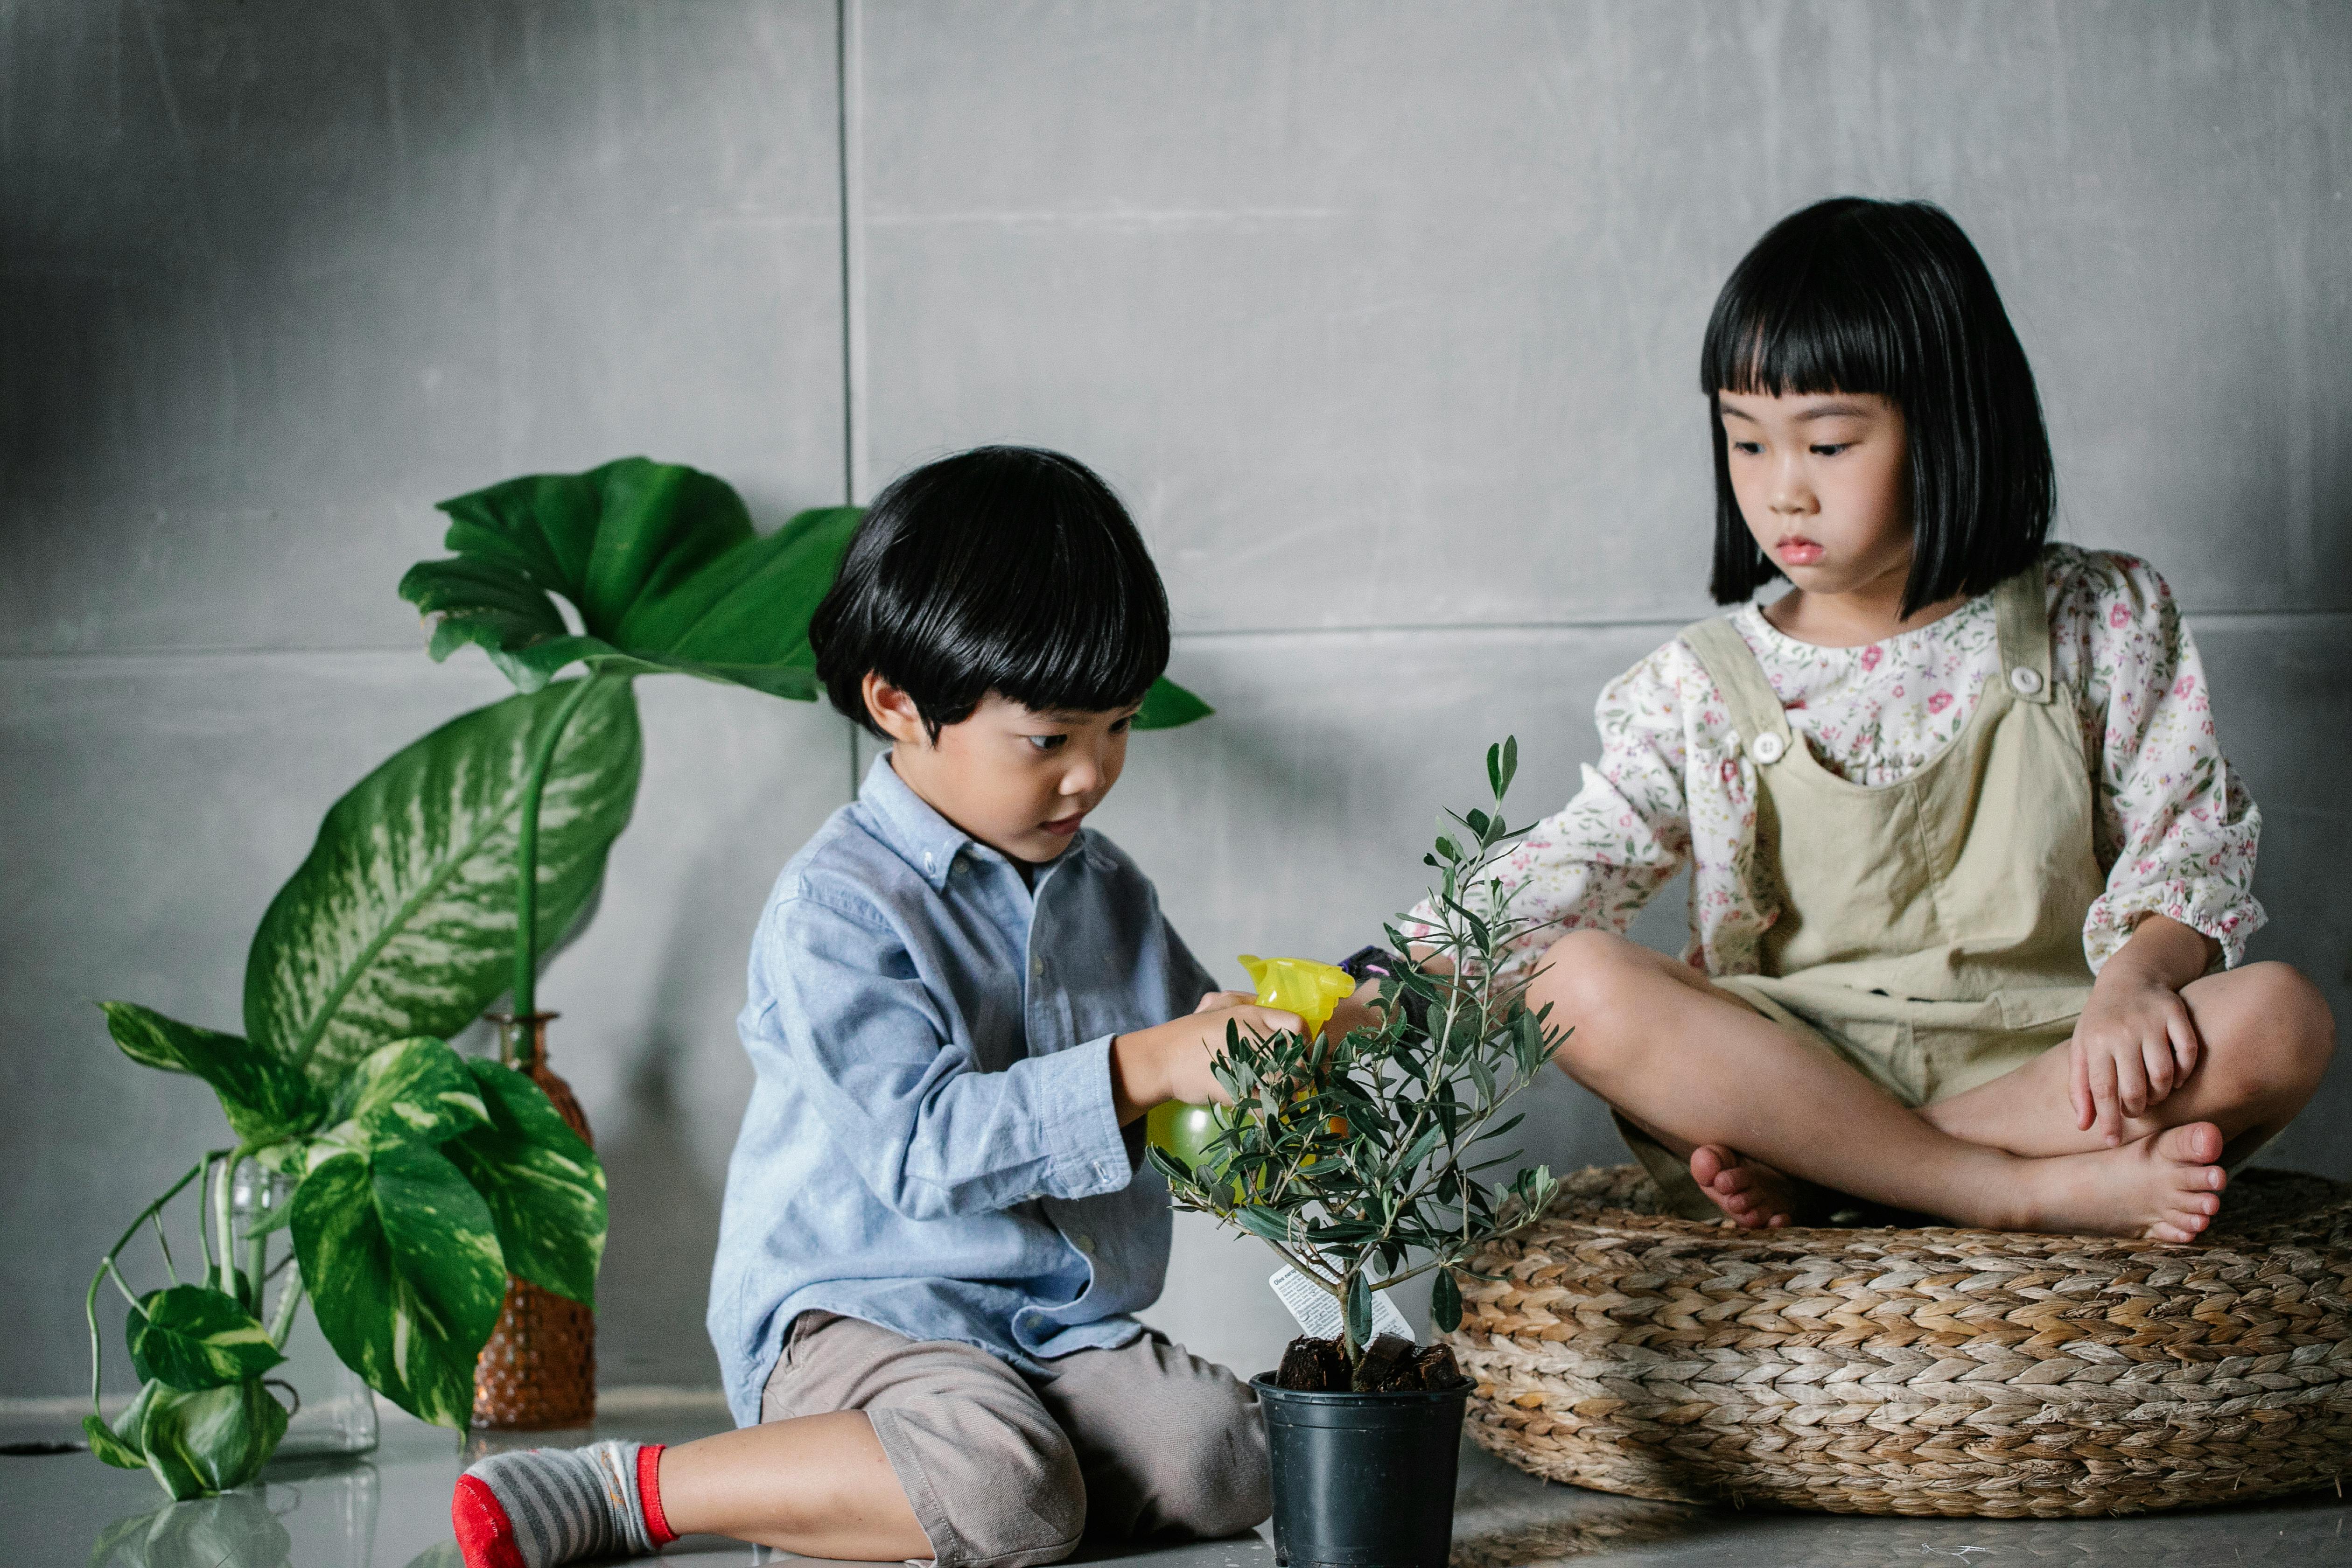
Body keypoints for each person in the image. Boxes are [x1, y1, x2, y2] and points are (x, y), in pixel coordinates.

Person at [451, 447, 1311, 1568]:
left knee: (1230, 1457)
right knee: (1004, 1488)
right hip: (861, 1316)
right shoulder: (835, 908)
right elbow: (924, 1150)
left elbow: (1190, 1107)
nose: (1090, 775)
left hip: (1042, 1327)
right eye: (1050, 739)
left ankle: (915, 1486)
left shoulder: (1109, 891)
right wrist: (1153, 1063)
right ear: (899, 704)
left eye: (1118, 727)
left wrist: (1279, 1067)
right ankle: (642, 1489)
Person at [1428, 197, 2332, 1242]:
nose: (1783, 495)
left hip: (2047, 1068)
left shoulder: (2101, 616)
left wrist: (2137, 981)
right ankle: (1995, 1189)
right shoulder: (1697, 684)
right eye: (1748, 445)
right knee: (1565, 971)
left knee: (2281, 1018)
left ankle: (1863, 1175)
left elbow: (2191, 833)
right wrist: (1370, 989)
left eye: (1828, 444)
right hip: (1785, 1077)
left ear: (1951, 424)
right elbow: (1569, 865)